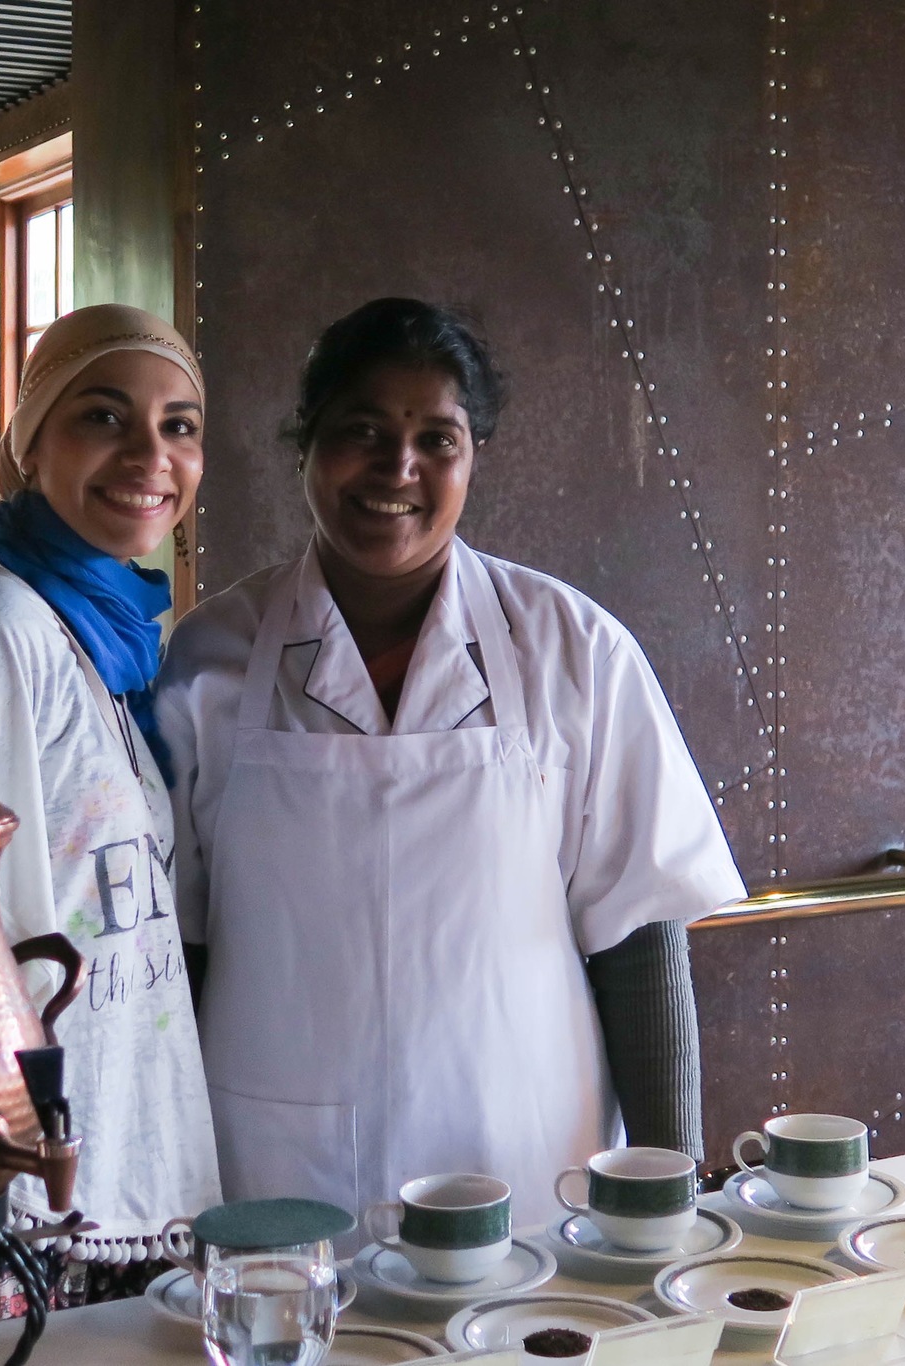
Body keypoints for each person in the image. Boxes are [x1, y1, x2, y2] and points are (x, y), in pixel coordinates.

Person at [156, 298, 744, 1230]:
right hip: (273, 1172)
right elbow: (175, 956)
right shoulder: (209, 662)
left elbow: (638, 944)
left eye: (439, 438)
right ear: (304, 446)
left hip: (529, 1155)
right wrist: (160, 1189)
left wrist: (669, 1191)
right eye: (362, 431)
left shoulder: (573, 650)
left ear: (473, 459)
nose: (400, 468)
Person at [0, 303, 221, 1306]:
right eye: (103, 417)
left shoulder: (101, 628)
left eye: (179, 424)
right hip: (19, 1183)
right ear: (28, 448)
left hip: (112, 1166)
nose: (149, 453)